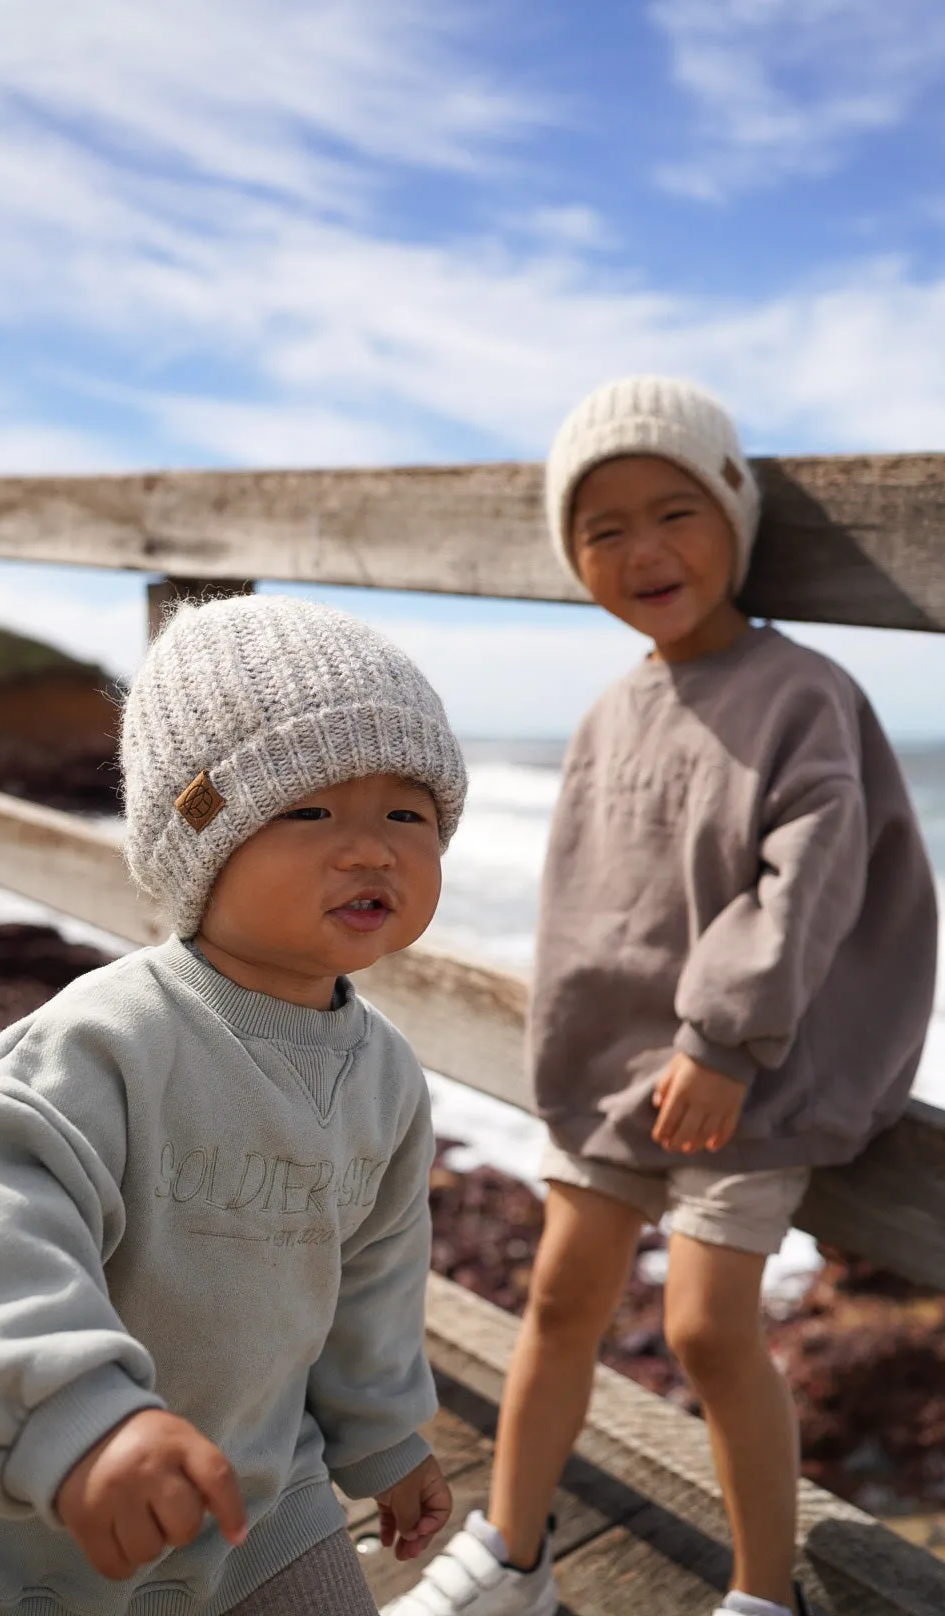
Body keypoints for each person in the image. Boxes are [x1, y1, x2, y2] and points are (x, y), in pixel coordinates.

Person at [382, 375, 937, 1616]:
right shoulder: (605, 712)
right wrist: (576, 1050)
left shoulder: (803, 694)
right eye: (601, 527)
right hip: (612, 1070)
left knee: (701, 1327)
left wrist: (725, 1038)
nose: (640, 549)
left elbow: (814, 882)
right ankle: (512, 1553)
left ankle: (758, 1593)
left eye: (673, 511)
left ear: (734, 516)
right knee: (560, 1299)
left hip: (749, 1077)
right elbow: (589, 904)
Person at [0, 593, 469, 1616]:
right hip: (37, 1503)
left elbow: (371, 1277)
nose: (371, 848)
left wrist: (384, 1436)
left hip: (260, 1490)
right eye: (311, 809)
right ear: (199, 836)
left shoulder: (388, 1076)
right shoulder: (103, 1041)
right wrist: (79, 1420)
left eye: (406, 813)